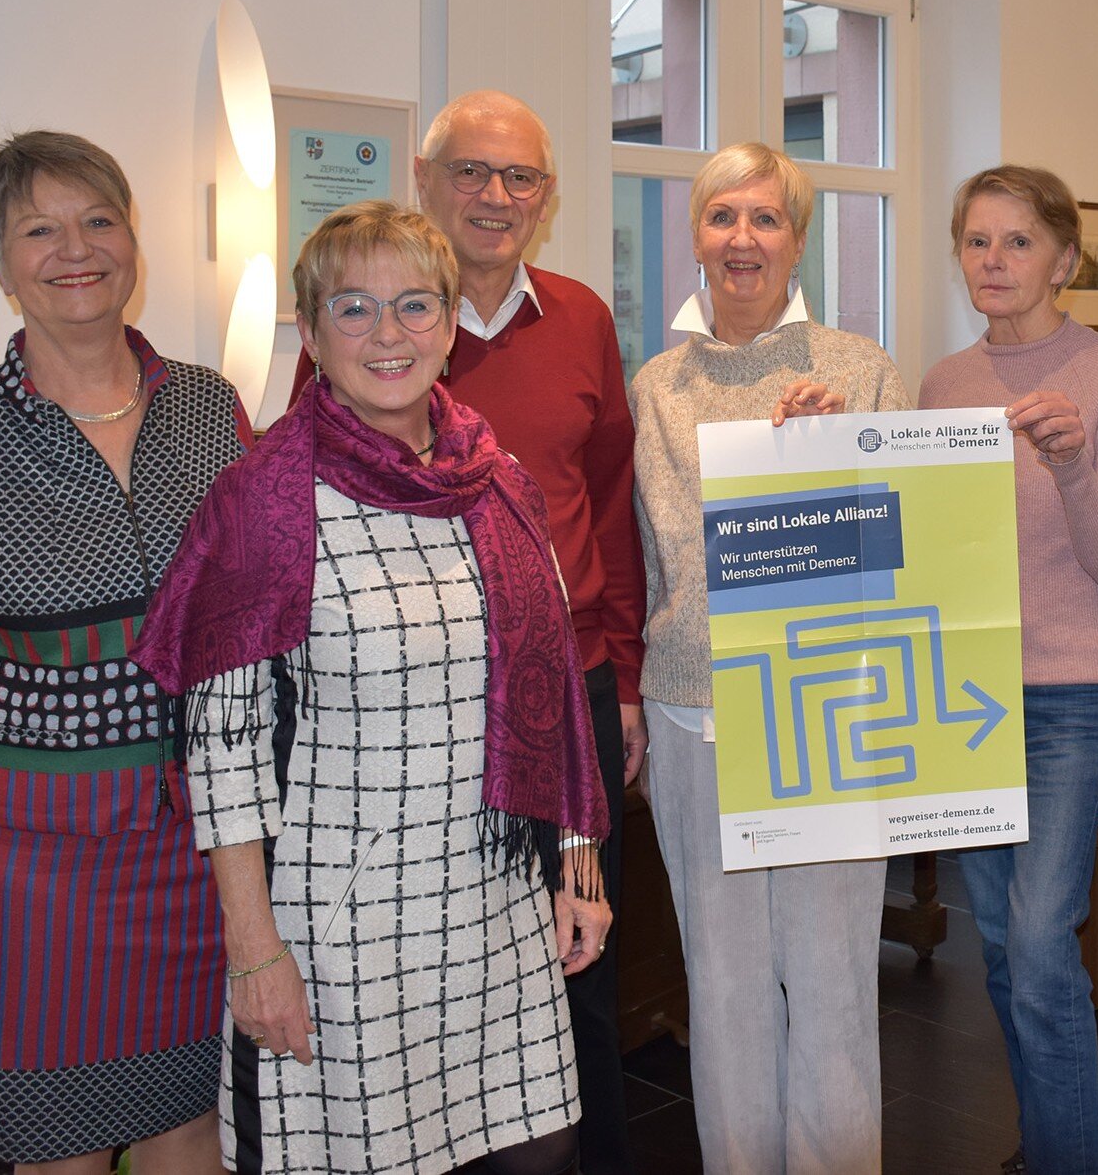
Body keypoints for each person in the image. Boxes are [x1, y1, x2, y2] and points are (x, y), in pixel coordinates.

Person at [134, 200, 612, 1175]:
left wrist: (577, 860)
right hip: (344, 922)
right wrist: (254, 949)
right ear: (310, 332)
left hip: (494, 901)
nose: (387, 334)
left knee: (532, 1151)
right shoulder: (263, 500)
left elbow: (550, 675)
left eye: (414, 306)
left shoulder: (499, 480)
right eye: (353, 308)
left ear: (447, 327)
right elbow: (221, 757)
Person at [287, 91, 645, 1169]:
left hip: (567, 685)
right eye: (472, 173)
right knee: (446, 962)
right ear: (426, 179)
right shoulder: (371, 333)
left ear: (547, 196)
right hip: (414, 704)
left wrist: (621, 677)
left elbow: (611, 495)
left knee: (578, 958)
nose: (496, 197)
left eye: (519, 177)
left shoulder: (581, 315)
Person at [0, 131, 247, 1172]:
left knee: (195, 1125)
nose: (74, 249)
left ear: (134, 241)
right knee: (56, 1147)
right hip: (35, 875)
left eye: (98, 220)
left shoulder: (212, 410)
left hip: (203, 856)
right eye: (38, 229)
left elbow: (262, 617)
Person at [631, 142, 906, 1174]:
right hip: (692, 711)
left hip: (828, 706)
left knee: (834, 979)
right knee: (726, 983)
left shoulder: (859, 369)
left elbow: (896, 550)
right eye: (721, 216)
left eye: (765, 218)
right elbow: (657, 559)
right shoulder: (654, 385)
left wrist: (826, 462)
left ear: (797, 238)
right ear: (695, 234)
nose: (741, 239)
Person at [920, 165, 1098, 1175]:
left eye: (1016, 242)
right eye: (976, 241)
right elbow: (928, 548)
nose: (992, 260)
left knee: (1038, 933)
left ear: (1063, 259)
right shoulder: (941, 383)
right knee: (1001, 946)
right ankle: (1045, 1140)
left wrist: (1069, 463)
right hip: (966, 688)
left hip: (1074, 684)